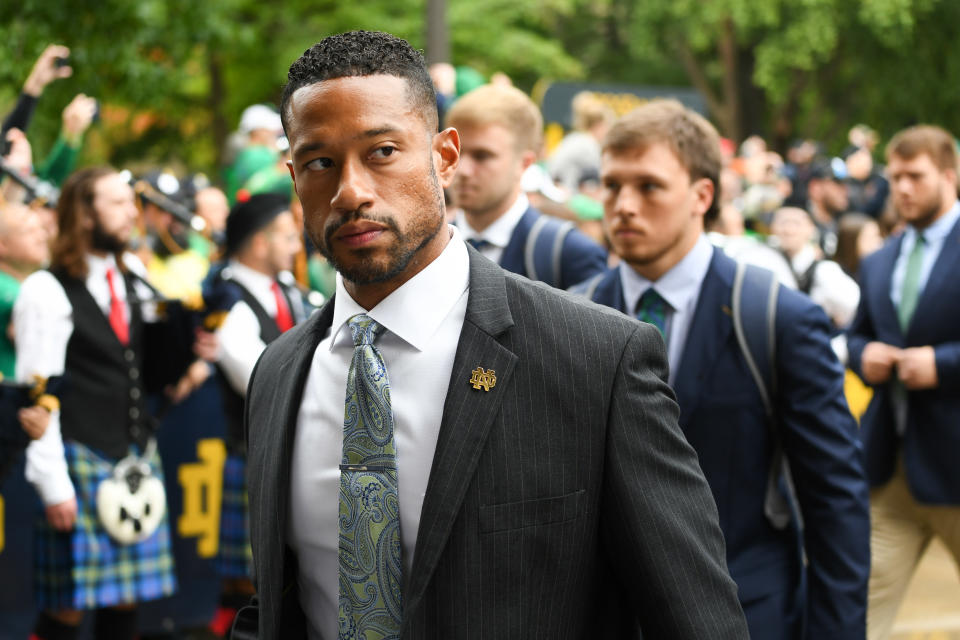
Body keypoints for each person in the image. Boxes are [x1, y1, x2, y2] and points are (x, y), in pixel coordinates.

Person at [237, 30, 748, 640]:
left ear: (445, 156)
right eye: (320, 162)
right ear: (294, 176)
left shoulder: (595, 359)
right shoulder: (279, 372)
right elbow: (283, 605)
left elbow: (695, 618)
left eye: (382, 152)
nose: (351, 190)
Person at [573, 99, 870, 640]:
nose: (623, 205)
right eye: (612, 185)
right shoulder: (569, 315)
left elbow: (834, 501)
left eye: (649, 186)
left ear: (702, 195)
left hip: (745, 610)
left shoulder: (778, 318)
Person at [15, 168, 180, 640]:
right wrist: (52, 484)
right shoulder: (46, 291)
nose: (133, 212)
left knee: (124, 598)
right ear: (84, 215)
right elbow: (37, 397)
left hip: (133, 457)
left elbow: (142, 368)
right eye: (117, 203)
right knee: (66, 609)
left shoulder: (133, 277)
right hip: (79, 457)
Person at [845, 125, 960, 640]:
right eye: (895, 178)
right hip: (890, 471)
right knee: (860, 615)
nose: (903, 189)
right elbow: (854, 336)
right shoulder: (880, 259)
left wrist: (944, 364)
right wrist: (861, 353)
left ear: (950, 175)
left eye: (915, 176)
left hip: (956, 467)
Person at [204, 193, 306, 636]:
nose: (297, 246)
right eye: (287, 236)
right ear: (260, 243)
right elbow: (257, 378)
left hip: (294, 449)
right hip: (253, 451)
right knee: (250, 578)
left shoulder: (288, 290)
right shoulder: (227, 299)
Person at [445, 84, 607, 289]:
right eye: (455, 153)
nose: (463, 169)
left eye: (482, 156)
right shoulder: (427, 248)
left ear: (524, 163)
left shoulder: (569, 254)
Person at [769, 206, 860, 329]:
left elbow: (853, 306)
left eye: (796, 223)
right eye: (783, 223)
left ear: (810, 229)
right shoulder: (768, 261)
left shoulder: (825, 270)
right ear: (773, 228)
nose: (789, 230)